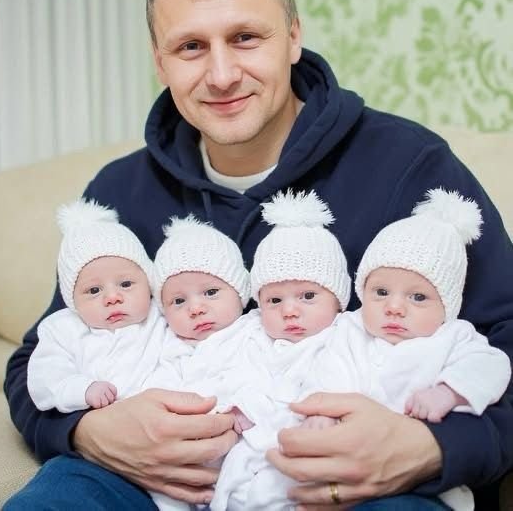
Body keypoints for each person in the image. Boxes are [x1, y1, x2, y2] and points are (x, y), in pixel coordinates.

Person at [3, 0, 513, 510]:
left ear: (293, 37)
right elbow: (37, 358)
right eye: (190, 47)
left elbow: (505, 336)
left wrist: (430, 448)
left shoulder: (409, 166)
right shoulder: (120, 192)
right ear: (159, 60)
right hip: (155, 487)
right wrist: (88, 432)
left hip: (349, 488)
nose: (221, 74)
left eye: (245, 38)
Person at [300, 188, 511, 511]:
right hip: (340, 466)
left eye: (418, 297)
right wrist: (321, 413)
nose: (394, 307)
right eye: (381, 292)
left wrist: (448, 392)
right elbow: (325, 369)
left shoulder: (453, 337)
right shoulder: (349, 329)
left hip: (420, 485)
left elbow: (492, 366)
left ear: (446, 306)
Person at [210, 189, 351, 511]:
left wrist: (324, 413)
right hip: (245, 457)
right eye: (274, 300)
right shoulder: (250, 333)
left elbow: (349, 381)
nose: (289, 311)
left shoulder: (345, 334)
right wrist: (235, 405)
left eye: (308, 296)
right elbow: (220, 371)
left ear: (338, 300)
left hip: (315, 455)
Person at [144, 214, 252, 510]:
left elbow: (270, 376)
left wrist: (246, 406)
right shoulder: (165, 344)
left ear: (240, 293)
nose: (196, 308)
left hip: (243, 446)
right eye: (178, 301)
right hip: (178, 453)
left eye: (211, 292)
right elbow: (153, 388)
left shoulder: (253, 331)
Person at [27, 198, 165, 414]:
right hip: (102, 421)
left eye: (125, 284)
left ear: (149, 284)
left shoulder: (161, 318)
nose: (112, 297)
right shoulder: (63, 330)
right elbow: (45, 377)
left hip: (166, 411)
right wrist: (84, 389)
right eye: (93, 290)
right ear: (72, 300)